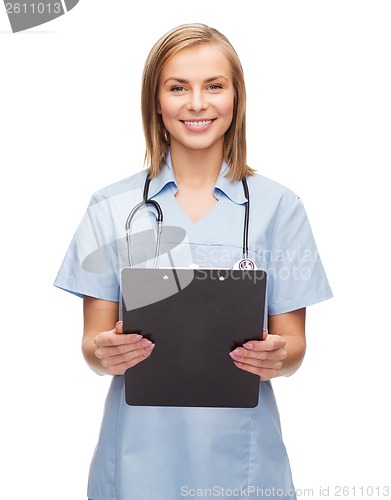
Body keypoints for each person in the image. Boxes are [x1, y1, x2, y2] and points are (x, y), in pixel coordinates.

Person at [54, 23, 332, 500]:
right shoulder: (110, 207)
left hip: (242, 461)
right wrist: (105, 352)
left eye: (214, 86)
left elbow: (295, 347)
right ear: (156, 103)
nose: (197, 103)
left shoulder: (279, 207)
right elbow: (92, 347)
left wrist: (277, 357)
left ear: (236, 100)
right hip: (138, 459)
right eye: (178, 87)